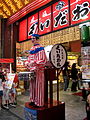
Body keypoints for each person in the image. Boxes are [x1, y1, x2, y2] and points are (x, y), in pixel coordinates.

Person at [25, 34, 47, 107]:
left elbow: (43, 60)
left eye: (33, 38)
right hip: (32, 71)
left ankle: (39, 103)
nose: (32, 40)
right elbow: (29, 59)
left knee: (39, 87)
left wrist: (34, 63)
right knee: (32, 86)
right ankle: (33, 100)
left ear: (37, 39)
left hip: (38, 71)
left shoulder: (41, 48)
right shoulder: (31, 49)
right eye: (31, 38)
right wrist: (27, 63)